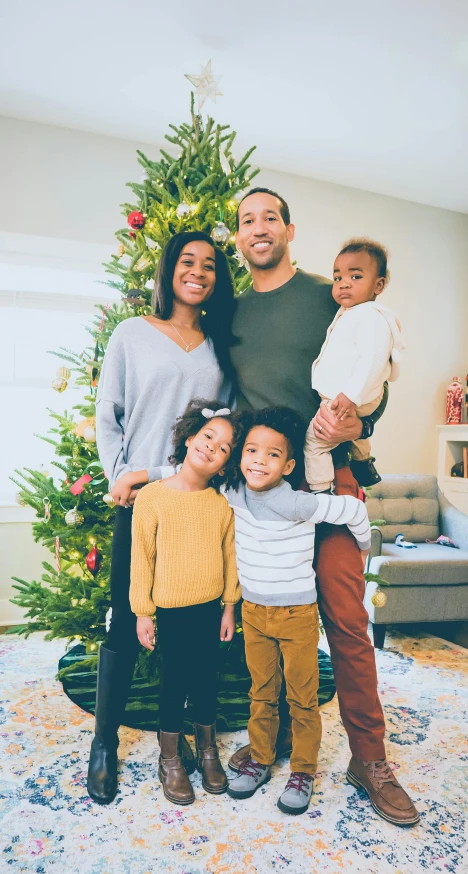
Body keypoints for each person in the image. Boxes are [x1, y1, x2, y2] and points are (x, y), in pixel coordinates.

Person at [228, 187, 420, 827]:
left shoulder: (329, 294)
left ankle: (370, 759)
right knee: (265, 616)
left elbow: (377, 382)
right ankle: (273, 742)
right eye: (247, 220)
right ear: (238, 237)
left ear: (288, 228)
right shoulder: (229, 311)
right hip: (263, 491)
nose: (260, 228)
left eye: (270, 218)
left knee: (345, 620)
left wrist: (356, 427)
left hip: (330, 478)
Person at [87, 231, 236, 805]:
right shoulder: (132, 335)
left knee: (195, 629)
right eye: (187, 261)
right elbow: (109, 415)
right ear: (169, 269)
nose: (198, 272)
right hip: (142, 503)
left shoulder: (220, 348)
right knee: (125, 618)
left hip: (197, 505)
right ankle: (104, 742)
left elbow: (220, 433)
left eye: (209, 266)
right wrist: (119, 476)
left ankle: (194, 742)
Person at [224, 407, 371, 816]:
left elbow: (355, 511)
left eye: (272, 454)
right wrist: (142, 477)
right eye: (251, 450)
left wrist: (363, 549)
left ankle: (303, 770)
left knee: (302, 699)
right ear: (240, 456)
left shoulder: (300, 503)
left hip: (296, 617)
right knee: (261, 693)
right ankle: (260, 758)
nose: (258, 459)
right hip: (253, 614)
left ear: (289, 465)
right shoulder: (232, 492)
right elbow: (183, 474)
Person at [129, 400, 242, 805]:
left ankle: (208, 750)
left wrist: (230, 607)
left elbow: (230, 558)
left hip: (210, 611)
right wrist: (143, 611)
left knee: (207, 681)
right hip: (171, 613)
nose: (212, 447)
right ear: (190, 437)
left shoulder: (220, 505)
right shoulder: (153, 498)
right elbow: (142, 557)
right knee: (174, 682)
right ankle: (171, 757)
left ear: (227, 464)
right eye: (208, 436)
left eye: (224, 447)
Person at [304, 238, 404, 492]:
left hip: (348, 396)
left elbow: (372, 362)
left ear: (378, 285)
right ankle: (362, 464)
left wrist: (351, 395)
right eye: (337, 278)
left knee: (315, 442)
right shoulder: (351, 312)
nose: (344, 283)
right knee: (351, 431)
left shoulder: (372, 317)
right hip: (350, 396)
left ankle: (321, 490)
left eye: (356, 276)